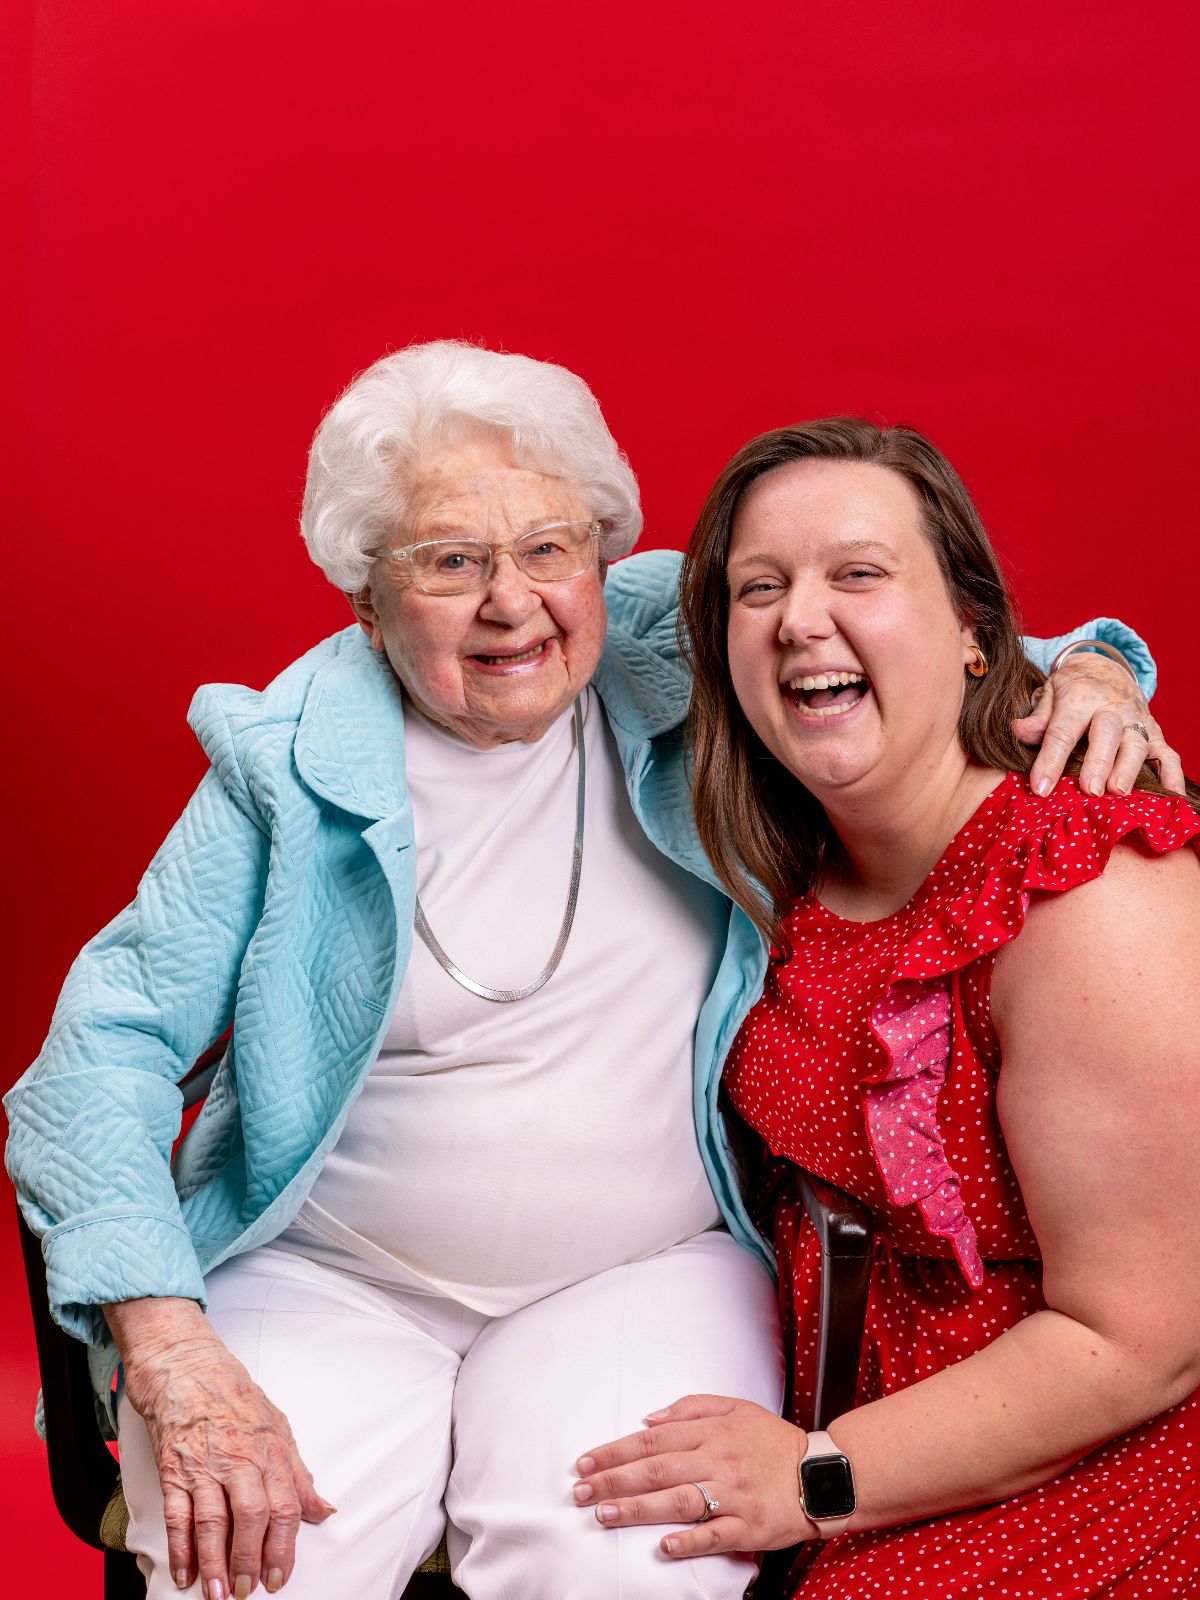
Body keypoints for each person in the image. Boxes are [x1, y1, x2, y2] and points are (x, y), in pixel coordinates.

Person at [6, 349, 1169, 1600]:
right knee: (244, 1558)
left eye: (550, 549)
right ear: (366, 597)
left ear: (605, 560)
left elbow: (934, 634)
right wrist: (170, 1341)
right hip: (331, 1275)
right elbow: (92, 1058)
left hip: (642, 1267)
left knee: (632, 1555)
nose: (513, 601)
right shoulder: (285, 759)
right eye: (450, 562)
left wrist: (1102, 673)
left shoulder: (668, 633)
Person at [568, 417, 1200, 1598]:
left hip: (1084, 1451)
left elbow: (1146, 1340)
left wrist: (817, 1475)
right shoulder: (784, 861)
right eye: (763, 588)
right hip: (860, 1421)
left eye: (859, 572)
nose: (804, 617)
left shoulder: (1084, 884)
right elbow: (559, 581)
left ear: (975, 632)